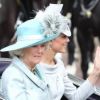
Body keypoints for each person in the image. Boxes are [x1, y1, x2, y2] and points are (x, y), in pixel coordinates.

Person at [38, 4, 100, 100]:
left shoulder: (59, 65)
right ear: (50, 39)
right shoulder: (33, 66)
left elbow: (75, 97)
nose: (68, 40)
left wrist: (96, 72)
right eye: (63, 36)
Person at [0, 9, 62, 99]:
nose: (40, 51)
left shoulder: (37, 69)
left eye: (42, 45)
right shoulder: (13, 75)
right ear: (21, 49)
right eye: (34, 46)